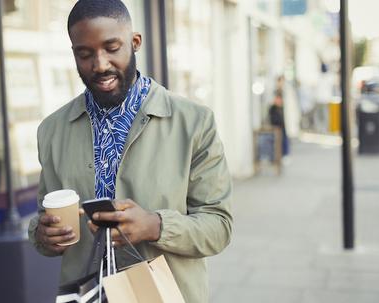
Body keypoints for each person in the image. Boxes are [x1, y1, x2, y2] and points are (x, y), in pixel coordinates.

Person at [27, 1, 233, 302]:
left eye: (112, 48)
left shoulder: (194, 122)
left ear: (135, 42)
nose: (99, 64)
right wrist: (43, 235)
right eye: (85, 54)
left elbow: (219, 227)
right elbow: (43, 218)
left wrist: (155, 226)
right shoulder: (51, 130)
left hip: (162, 294)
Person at [269, 92, 289, 156]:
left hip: (282, 128)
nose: (279, 101)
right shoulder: (273, 108)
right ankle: (278, 156)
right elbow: (273, 119)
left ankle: (284, 155)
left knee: (284, 142)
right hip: (276, 128)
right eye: (278, 99)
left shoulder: (282, 108)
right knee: (277, 143)